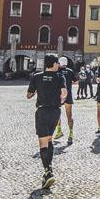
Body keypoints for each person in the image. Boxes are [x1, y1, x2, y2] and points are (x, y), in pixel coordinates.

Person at [26, 54, 67, 190]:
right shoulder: (60, 77)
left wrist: (36, 91)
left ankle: (47, 172)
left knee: (43, 142)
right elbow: (64, 94)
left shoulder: (36, 76)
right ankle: (49, 169)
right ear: (54, 64)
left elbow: (28, 95)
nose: (59, 65)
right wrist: (60, 101)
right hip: (55, 112)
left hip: (42, 111)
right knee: (49, 139)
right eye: (57, 63)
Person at [54, 56, 76, 144]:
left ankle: (59, 131)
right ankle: (71, 134)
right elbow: (76, 81)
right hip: (68, 95)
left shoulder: (57, 71)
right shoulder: (70, 71)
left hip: (58, 95)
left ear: (59, 63)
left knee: (57, 113)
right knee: (69, 115)